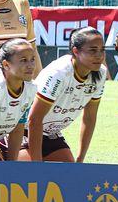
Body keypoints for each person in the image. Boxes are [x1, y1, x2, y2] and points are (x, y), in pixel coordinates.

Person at [21, 26, 106, 163]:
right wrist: (36, 164)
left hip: (51, 134)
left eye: (102, 50)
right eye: (93, 50)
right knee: (29, 176)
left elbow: (89, 118)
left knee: (69, 175)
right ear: (76, 51)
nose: (99, 56)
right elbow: (34, 119)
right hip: (23, 129)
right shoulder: (59, 73)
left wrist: (80, 159)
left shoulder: (100, 74)